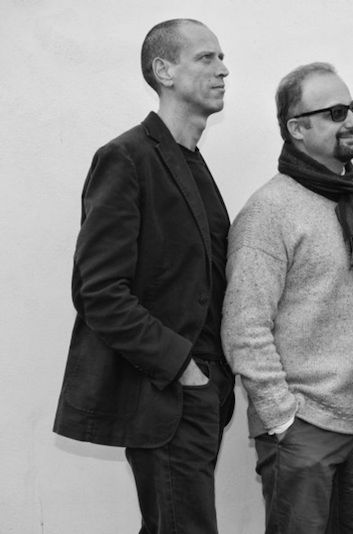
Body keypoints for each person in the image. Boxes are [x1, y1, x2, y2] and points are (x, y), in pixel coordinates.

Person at [53, 19, 234, 534]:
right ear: (164, 71)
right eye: (206, 57)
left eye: (222, 58)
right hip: (167, 394)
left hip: (201, 394)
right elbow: (98, 292)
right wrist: (183, 369)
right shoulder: (126, 157)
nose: (223, 70)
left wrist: (215, 380)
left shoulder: (192, 162)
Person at [222, 62, 353, 534]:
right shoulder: (269, 211)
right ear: (297, 128)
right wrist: (282, 418)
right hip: (302, 430)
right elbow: (244, 325)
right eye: (336, 112)